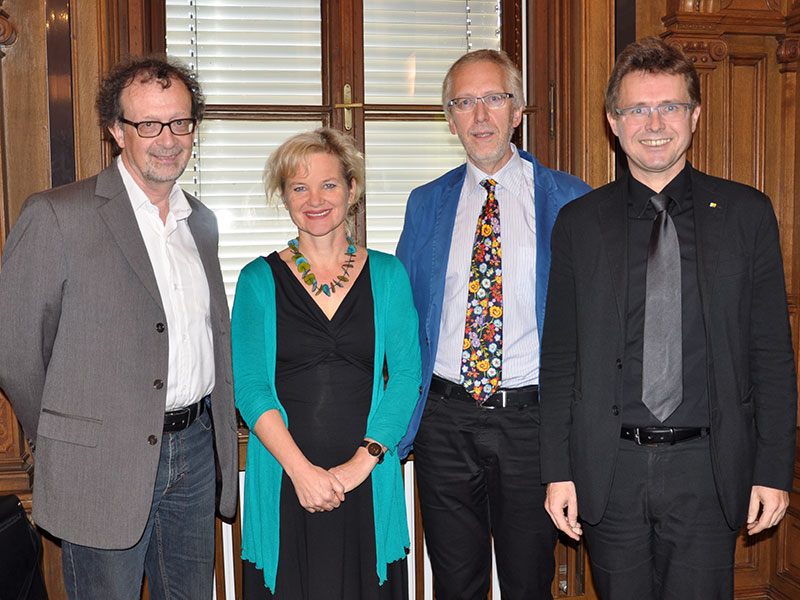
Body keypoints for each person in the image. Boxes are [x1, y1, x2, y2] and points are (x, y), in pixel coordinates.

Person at [540, 37, 797, 599]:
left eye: (670, 106)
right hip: (609, 469)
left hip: (709, 468)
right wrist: (557, 469)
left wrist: (774, 470)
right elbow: (560, 358)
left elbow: (772, 356)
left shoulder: (747, 214)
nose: (654, 123)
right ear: (613, 121)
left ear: (694, 115)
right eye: (637, 109)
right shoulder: (578, 224)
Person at [0, 56, 238, 599]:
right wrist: (67, 436)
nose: (167, 139)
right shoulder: (57, 215)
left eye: (180, 122)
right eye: (148, 124)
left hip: (195, 452)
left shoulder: (200, 222)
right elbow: (13, 350)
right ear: (115, 130)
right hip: (100, 465)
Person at [395, 49, 591, 600]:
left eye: (494, 98)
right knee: (456, 583)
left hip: (532, 422)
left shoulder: (571, 200)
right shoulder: (425, 203)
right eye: (464, 102)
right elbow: (403, 315)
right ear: (449, 118)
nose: (479, 115)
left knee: (528, 581)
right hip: (444, 422)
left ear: (518, 110)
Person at [232, 127, 421, 599]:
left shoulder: (388, 275)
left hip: (367, 479)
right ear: (284, 196)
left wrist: (360, 465)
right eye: (299, 187)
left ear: (352, 190)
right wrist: (302, 473)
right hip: (285, 479)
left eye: (329, 184)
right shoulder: (257, 280)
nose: (314, 199)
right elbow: (250, 387)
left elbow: (406, 377)